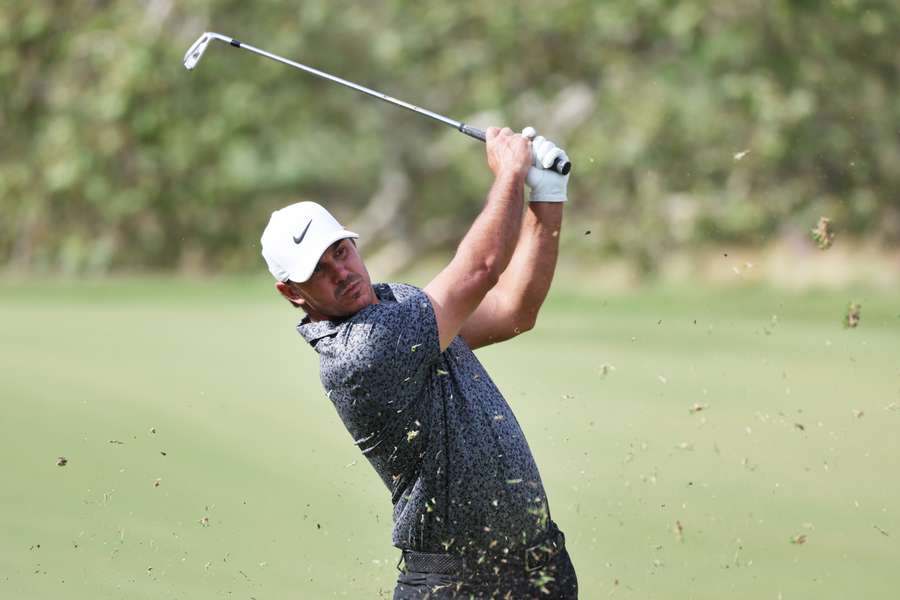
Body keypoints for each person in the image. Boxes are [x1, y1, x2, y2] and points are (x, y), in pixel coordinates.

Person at [261, 127, 577, 599]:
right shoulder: (363, 351)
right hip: (457, 583)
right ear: (292, 293)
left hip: (539, 568)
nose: (341, 273)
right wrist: (510, 171)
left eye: (340, 252)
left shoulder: (398, 305)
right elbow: (483, 268)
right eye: (318, 272)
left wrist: (548, 193)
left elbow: (514, 310)